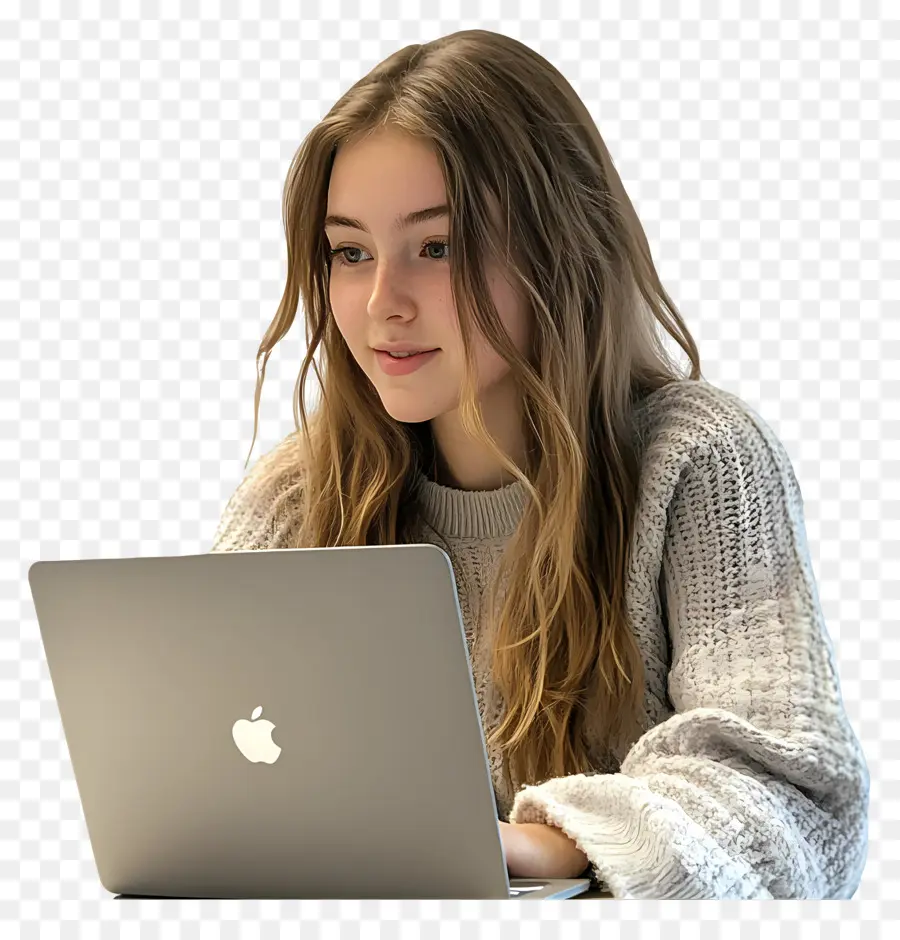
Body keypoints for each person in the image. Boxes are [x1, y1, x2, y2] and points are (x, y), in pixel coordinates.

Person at [208, 29, 869, 898]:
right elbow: (203, 764)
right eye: (350, 251)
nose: (382, 303)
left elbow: (799, 804)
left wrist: (561, 843)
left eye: (435, 247)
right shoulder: (300, 494)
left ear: (557, 245)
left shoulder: (697, 459)